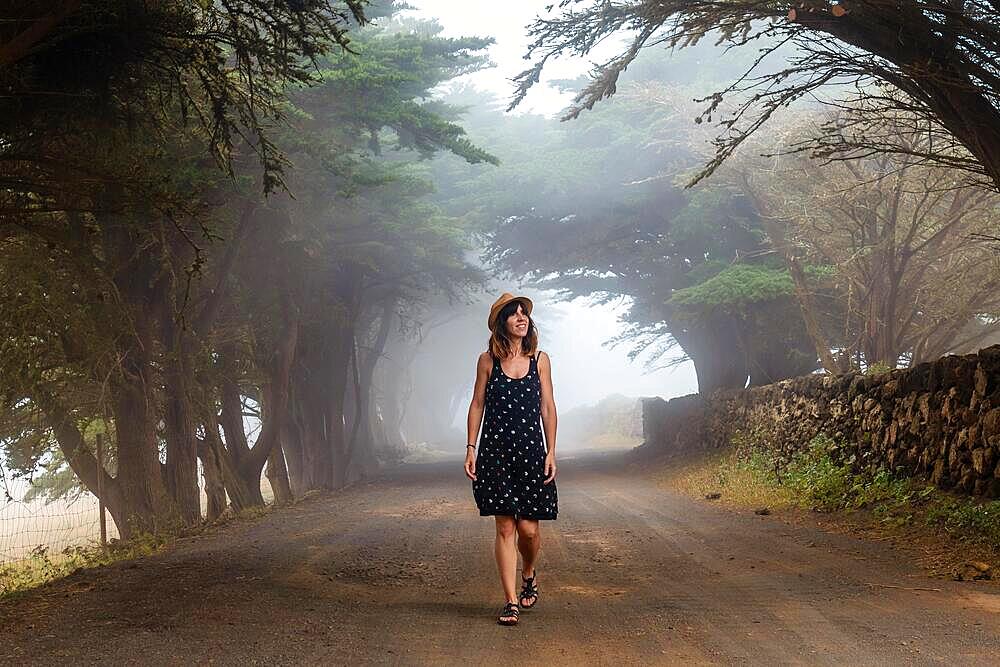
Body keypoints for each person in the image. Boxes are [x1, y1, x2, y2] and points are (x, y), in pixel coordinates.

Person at [465, 292, 559, 626]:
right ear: (502, 323)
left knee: (529, 530)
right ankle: (510, 601)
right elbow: (477, 404)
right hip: (495, 452)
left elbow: (547, 406)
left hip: (533, 452)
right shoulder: (487, 360)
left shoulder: (540, 359)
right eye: (513, 314)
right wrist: (471, 448)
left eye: (524, 313)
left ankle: (529, 573)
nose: (521, 317)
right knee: (505, 525)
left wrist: (551, 450)